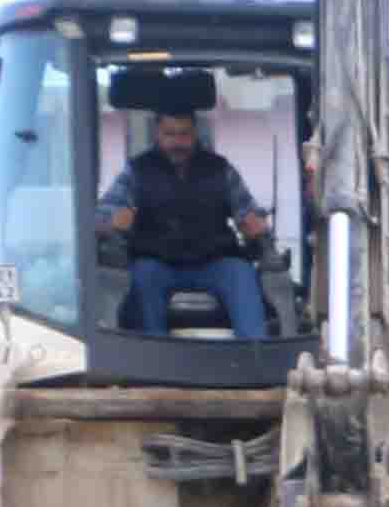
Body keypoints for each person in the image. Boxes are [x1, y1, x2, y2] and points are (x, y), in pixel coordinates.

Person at [100, 104, 273, 338]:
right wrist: (114, 221)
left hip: (214, 261)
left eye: (184, 134)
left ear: (195, 134)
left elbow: (246, 211)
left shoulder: (220, 169)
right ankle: (154, 354)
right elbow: (102, 216)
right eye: (170, 134)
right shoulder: (137, 170)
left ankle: (256, 355)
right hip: (157, 262)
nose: (177, 142)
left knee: (242, 273)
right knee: (141, 276)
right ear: (157, 134)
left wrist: (254, 225)